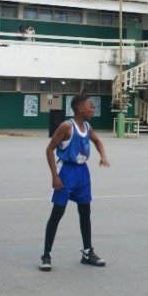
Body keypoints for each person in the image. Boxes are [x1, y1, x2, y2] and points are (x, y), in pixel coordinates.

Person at [40, 94, 110, 271]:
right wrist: (54, 176)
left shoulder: (87, 126)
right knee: (57, 214)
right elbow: (49, 150)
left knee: (85, 212)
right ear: (80, 108)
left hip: (82, 172)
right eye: (90, 106)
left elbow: (97, 141)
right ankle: (46, 255)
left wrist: (103, 155)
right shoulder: (66, 126)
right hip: (66, 172)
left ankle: (87, 252)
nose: (93, 109)